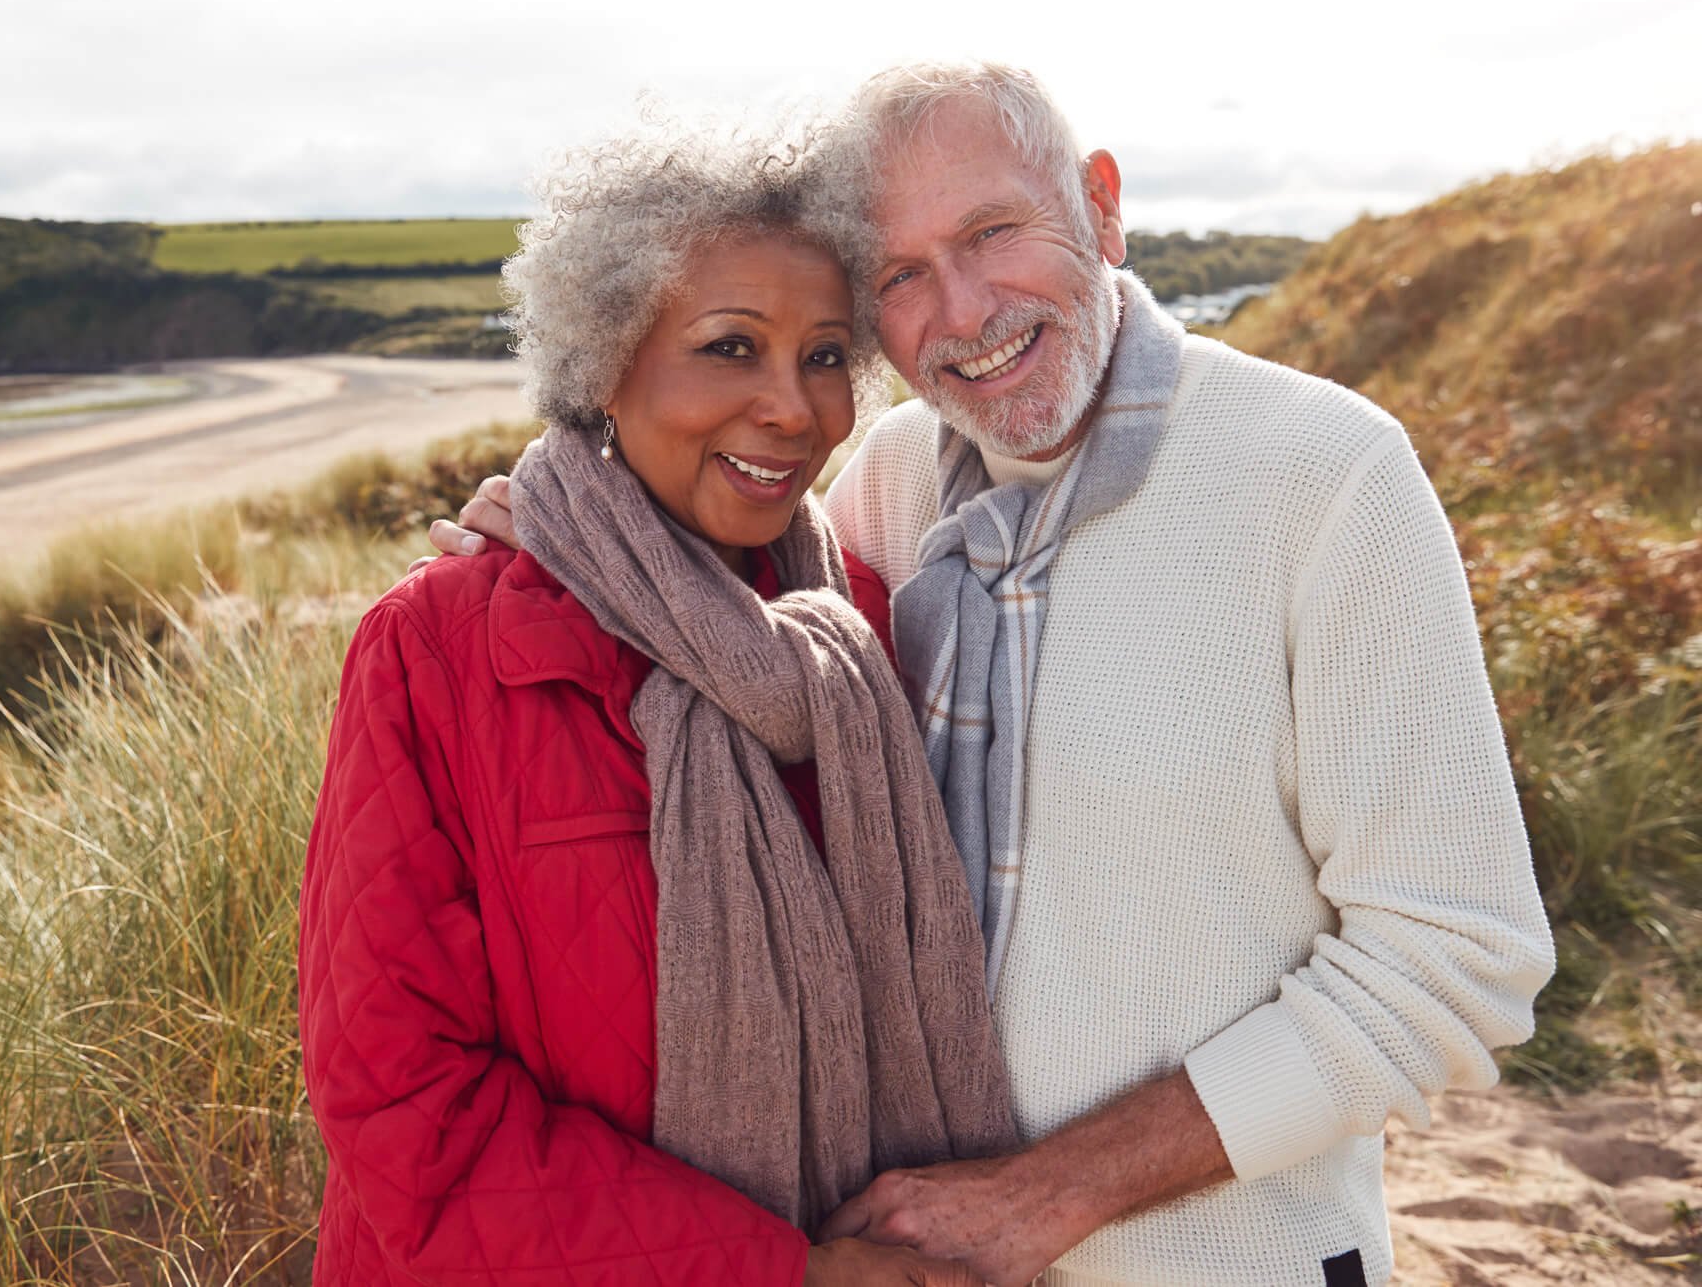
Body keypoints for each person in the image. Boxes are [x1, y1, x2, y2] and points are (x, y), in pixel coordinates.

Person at [432, 63, 1555, 1286]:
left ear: (1100, 207)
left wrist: (1044, 1196)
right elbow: (717, 617)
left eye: (992, 232)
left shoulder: (1324, 475)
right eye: (899, 276)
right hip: (918, 1258)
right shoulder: (888, 480)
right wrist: (568, 528)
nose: (961, 312)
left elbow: (1453, 958)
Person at [298, 125, 1019, 1286]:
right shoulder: (439, 649)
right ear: (603, 361)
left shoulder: (865, 637)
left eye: (826, 354)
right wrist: (784, 1273)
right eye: (729, 347)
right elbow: (399, 1101)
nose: (790, 408)